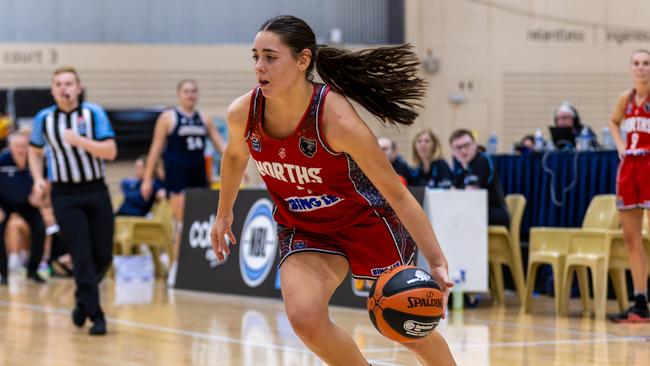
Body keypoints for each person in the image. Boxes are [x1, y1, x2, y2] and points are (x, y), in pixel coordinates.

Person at [210, 15, 455, 366]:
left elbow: (397, 194)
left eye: (270, 57)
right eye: (255, 57)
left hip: (365, 222)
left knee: (403, 324)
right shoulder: (243, 113)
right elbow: (234, 155)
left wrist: (437, 260)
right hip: (305, 228)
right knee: (305, 319)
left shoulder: (336, 120)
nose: (259, 67)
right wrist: (223, 213)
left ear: (303, 60)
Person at [28, 66, 116, 335]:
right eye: (59, 84)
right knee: (81, 255)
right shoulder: (43, 119)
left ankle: (81, 301)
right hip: (65, 195)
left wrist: (79, 141)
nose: (64, 88)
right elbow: (34, 151)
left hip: (96, 190)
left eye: (69, 83)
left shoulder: (94, 113)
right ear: (53, 90)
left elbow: (110, 151)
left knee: (103, 255)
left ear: (78, 88)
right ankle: (96, 315)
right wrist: (37, 178)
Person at [141, 79, 226, 286]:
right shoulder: (168, 117)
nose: (190, 94)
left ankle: (201, 266)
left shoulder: (204, 118)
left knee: (203, 223)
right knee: (182, 224)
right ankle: (176, 267)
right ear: (179, 94)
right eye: (186, 91)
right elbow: (155, 149)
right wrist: (147, 179)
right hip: (177, 179)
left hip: (199, 177)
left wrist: (237, 169)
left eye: (194, 91)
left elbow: (221, 146)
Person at [608, 49, 650, 323]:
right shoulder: (626, 98)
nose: (641, 68)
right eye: (636, 63)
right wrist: (620, 144)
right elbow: (613, 122)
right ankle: (640, 301)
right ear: (629, 68)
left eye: (646, 63)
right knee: (631, 239)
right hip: (630, 169)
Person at [0, 128, 46, 284]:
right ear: (10, 147)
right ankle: (2, 274)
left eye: (24, 146)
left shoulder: (36, 162)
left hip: (27, 202)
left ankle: (33, 271)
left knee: (40, 228)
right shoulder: (3, 161)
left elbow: (45, 183)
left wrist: (39, 194)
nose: (21, 150)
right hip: (4, 202)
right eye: (17, 146)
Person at [449, 129, 510, 227]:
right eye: (458, 147)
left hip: (494, 213)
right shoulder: (461, 169)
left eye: (467, 145)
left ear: (475, 145)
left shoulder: (482, 160)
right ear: (453, 151)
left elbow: (470, 195)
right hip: (477, 212)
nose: (463, 150)